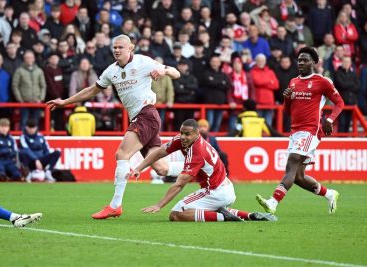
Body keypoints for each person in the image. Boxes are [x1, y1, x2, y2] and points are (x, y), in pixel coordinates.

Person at [47, 34, 181, 219]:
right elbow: (91, 91)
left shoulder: (144, 62)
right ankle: (200, 168)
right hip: (140, 117)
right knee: (161, 169)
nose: (117, 50)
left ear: (130, 48)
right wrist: (65, 102)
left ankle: (115, 205)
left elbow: (176, 72)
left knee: (122, 154)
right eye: (115, 48)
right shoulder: (111, 71)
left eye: (121, 47)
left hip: (147, 114)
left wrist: (164, 72)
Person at [128, 119, 276, 222]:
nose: (183, 137)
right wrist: (139, 168)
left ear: (197, 133)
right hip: (224, 187)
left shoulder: (197, 151)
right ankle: (249, 215)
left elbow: (179, 184)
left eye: (187, 134)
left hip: (216, 191)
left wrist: (159, 205)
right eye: (182, 133)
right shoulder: (181, 140)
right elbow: (160, 152)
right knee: (163, 170)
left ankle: (223, 216)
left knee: (176, 215)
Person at [256, 47, 344, 215]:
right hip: (295, 131)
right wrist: (287, 98)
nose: (301, 63)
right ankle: (330, 194)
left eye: (305, 60)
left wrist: (330, 119)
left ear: (314, 62)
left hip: (311, 130)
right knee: (298, 177)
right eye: (299, 60)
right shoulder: (293, 82)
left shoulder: (322, 81)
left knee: (292, 163)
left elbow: (340, 103)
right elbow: (288, 111)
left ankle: (273, 202)